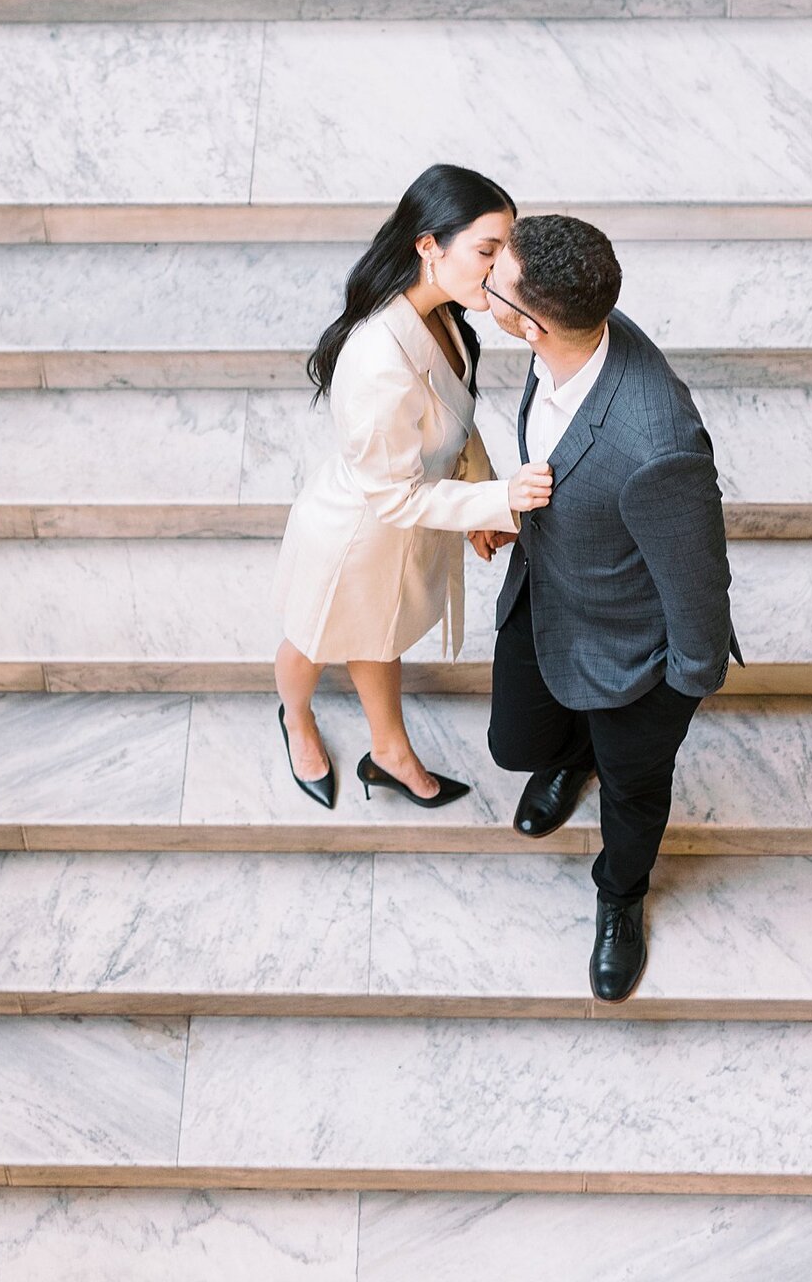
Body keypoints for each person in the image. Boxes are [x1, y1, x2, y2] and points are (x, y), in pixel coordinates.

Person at [477, 214, 743, 1001]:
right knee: (514, 742)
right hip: (548, 590)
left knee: (633, 792)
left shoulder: (659, 444)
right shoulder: (565, 335)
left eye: (495, 278)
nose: (483, 279)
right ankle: (572, 755)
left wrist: (677, 691)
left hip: (637, 654)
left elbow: (700, 581)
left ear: (528, 322)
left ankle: (621, 895)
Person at [273, 165, 555, 811]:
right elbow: (394, 496)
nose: (499, 269)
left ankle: (390, 750)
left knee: (377, 641)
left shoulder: (443, 316)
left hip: (397, 532)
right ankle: (295, 719)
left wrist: (482, 492)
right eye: (486, 251)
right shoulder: (379, 359)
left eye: (501, 252)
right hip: (355, 536)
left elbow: (455, 425)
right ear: (429, 245)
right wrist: (502, 498)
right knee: (311, 643)